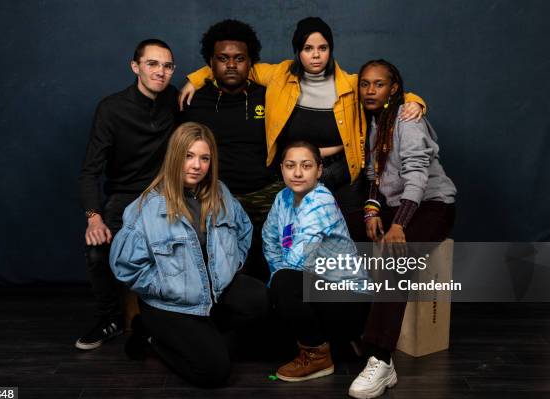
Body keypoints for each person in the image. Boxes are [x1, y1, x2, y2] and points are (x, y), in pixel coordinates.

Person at [180, 17, 426, 238]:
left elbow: (383, 90)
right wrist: (196, 78)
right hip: (297, 174)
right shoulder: (279, 75)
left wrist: (414, 101)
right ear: (298, 52)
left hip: (341, 174)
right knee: (298, 240)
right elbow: (236, 65)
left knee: (344, 239)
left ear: (330, 50)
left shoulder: (350, 83)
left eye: (323, 48)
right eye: (308, 48)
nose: (316, 55)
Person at [109, 122, 268, 388]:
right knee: (213, 372)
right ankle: (150, 337)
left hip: (214, 292)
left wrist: (232, 264)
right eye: (188, 156)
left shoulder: (221, 193)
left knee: (260, 300)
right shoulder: (146, 208)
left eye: (204, 158)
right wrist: (169, 287)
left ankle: (205, 333)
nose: (197, 165)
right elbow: (126, 267)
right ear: (174, 157)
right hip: (170, 304)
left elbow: (243, 229)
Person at [347, 59, 456, 399]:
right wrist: (371, 211)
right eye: (364, 84)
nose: (369, 90)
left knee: (397, 258)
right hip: (399, 204)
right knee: (338, 229)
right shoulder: (376, 123)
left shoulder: (408, 121)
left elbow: (418, 177)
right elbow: (375, 178)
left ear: (394, 88)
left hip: (432, 205)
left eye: (378, 84)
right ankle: (351, 328)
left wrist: (399, 225)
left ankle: (381, 358)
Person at [75, 39, 178, 350]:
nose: (160, 71)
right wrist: (94, 218)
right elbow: (89, 171)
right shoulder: (111, 108)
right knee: (97, 251)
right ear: (136, 67)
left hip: (165, 194)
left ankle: (174, 318)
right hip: (124, 195)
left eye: (167, 66)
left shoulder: (177, 101)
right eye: (152, 64)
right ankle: (111, 319)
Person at [181, 19, 283, 282]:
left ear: (251, 63)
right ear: (211, 63)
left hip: (265, 193)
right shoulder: (194, 100)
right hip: (215, 196)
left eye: (239, 58)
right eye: (223, 58)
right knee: (226, 267)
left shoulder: (269, 95)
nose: (231, 64)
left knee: (274, 260)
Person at [262, 140, 372, 382]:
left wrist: (279, 290)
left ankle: (318, 356)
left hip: (350, 299)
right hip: (320, 291)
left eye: (306, 165)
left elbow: (298, 262)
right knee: (276, 293)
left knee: (283, 285)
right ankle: (340, 342)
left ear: (319, 171)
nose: (298, 172)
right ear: (282, 169)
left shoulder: (320, 200)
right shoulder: (282, 198)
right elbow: (269, 240)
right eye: (290, 165)